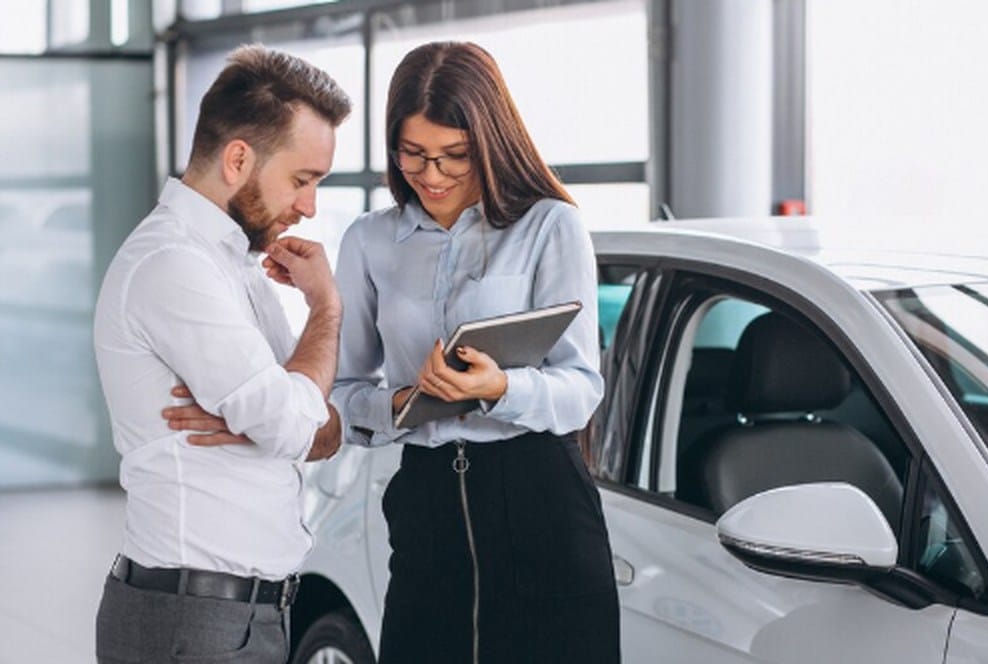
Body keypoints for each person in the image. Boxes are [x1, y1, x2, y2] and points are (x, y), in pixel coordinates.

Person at [332, 41, 620, 664]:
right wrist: (404, 405)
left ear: (489, 142)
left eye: (454, 156)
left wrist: (500, 389)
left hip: (542, 499)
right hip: (427, 502)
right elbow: (342, 393)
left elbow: (580, 388)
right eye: (413, 154)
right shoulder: (369, 242)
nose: (431, 175)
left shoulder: (550, 226)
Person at [93, 45, 350, 664]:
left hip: (243, 616)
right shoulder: (172, 264)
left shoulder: (235, 265)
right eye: (302, 179)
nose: (310, 206)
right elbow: (295, 420)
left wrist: (283, 413)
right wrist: (327, 313)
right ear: (239, 158)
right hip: (193, 623)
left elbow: (321, 427)